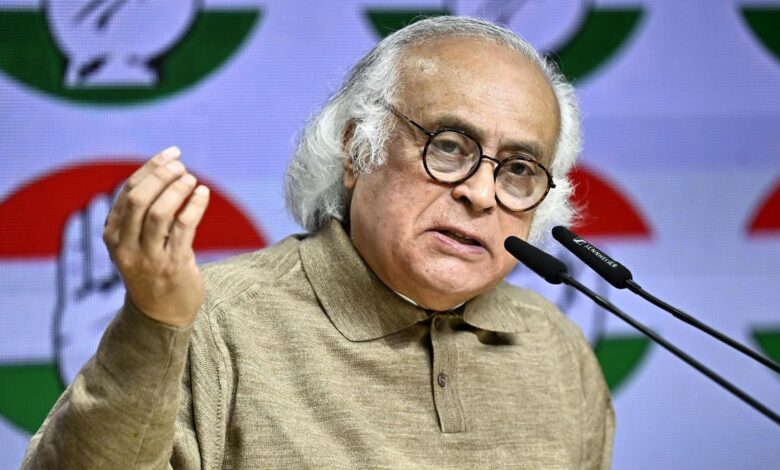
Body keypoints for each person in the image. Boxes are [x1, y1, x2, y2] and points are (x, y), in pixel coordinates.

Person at [22, 16, 614, 469]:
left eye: (518, 169)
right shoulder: (212, 324)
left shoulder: (556, 346)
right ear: (357, 151)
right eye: (450, 147)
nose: (481, 194)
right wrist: (152, 325)